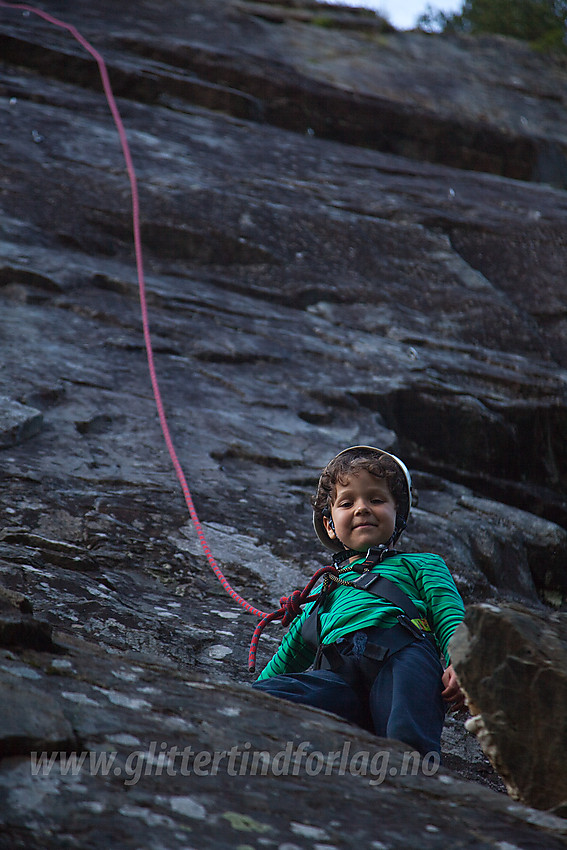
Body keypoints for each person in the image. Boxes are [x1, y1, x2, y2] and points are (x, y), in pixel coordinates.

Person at [252, 445, 466, 757]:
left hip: (404, 656)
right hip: (341, 679)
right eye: (347, 502)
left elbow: (449, 616)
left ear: (398, 514)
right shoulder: (322, 594)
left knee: (407, 737)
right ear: (330, 524)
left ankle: (415, 790)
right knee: (271, 696)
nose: (362, 508)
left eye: (376, 500)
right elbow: (284, 663)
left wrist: (461, 663)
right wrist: (246, 700)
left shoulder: (422, 564)